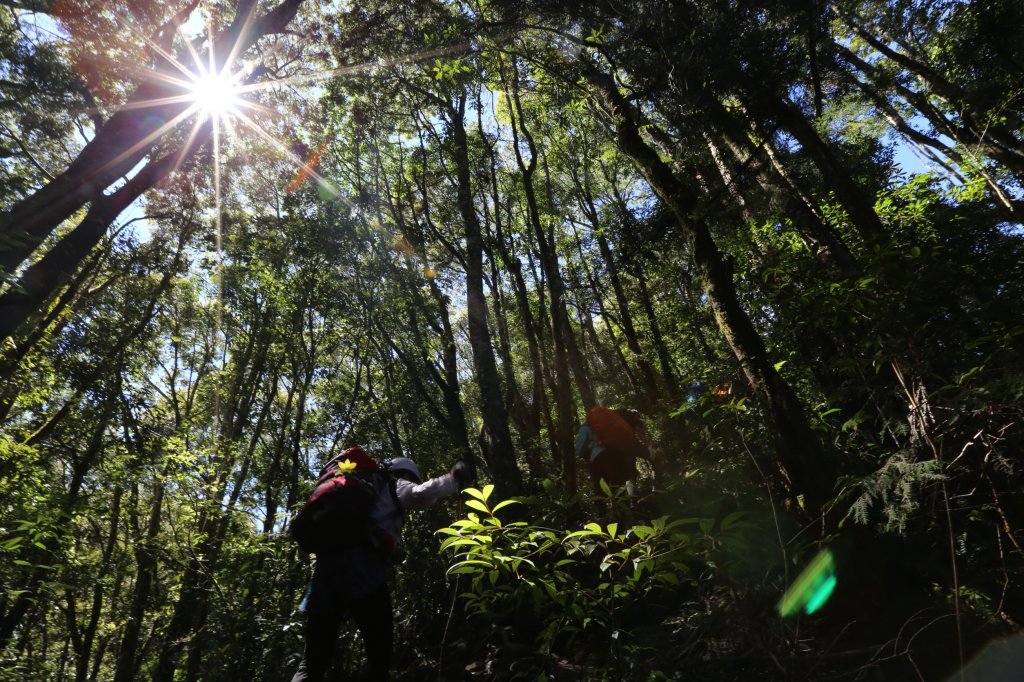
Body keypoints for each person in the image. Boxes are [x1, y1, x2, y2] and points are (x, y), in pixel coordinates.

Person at [290, 454, 474, 681]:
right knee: (379, 652)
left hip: (325, 570)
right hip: (362, 569)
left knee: (313, 659)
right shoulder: (393, 483)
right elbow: (421, 494)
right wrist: (455, 476)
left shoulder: (362, 487)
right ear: (405, 474)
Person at [575, 406, 652, 493]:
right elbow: (638, 433)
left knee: (601, 489)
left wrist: (586, 451)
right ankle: (631, 497)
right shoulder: (612, 422)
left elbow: (579, 450)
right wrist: (649, 448)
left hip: (598, 459)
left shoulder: (586, 427)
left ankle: (609, 500)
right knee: (620, 482)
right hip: (616, 453)